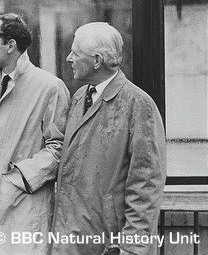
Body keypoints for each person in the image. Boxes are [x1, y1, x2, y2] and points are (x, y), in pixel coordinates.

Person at [0, 13, 70, 255]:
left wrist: (14, 180)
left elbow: (58, 148)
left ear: (10, 46)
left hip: (24, 215)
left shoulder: (50, 87)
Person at [51, 22, 166, 255]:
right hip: (70, 241)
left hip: (108, 246)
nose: (69, 58)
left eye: (75, 53)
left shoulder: (138, 104)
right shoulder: (79, 97)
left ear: (96, 61)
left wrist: (132, 247)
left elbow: (146, 183)